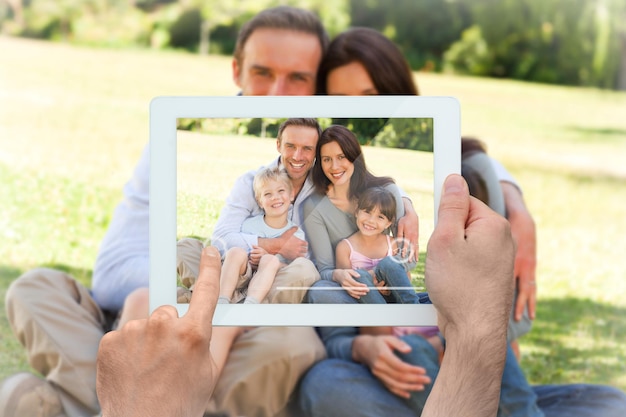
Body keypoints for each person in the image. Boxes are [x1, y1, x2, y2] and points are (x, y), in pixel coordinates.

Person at [0, 6, 330, 417]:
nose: (278, 91)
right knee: (35, 290)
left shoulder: (332, 179)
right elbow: (114, 273)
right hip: (195, 299)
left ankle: (96, 404)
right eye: (263, 72)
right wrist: (203, 296)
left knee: (293, 343)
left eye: (298, 78)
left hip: (253, 321)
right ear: (237, 71)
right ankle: (161, 404)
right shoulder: (238, 170)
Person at [299, 26, 626, 417]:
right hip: (394, 372)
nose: (360, 114)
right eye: (342, 102)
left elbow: (498, 332)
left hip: (466, 356)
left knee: (610, 402)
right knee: (325, 386)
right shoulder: (320, 210)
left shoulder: (458, 176)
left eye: (373, 98)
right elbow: (328, 317)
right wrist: (362, 346)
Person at [95, 174, 517, 417]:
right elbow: (226, 240)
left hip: (276, 309)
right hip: (257, 290)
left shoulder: (330, 212)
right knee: (52, 289)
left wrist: (403, 203)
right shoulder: (284, 206)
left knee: (312, 361)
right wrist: (360, 345)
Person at [334, 185, 421, 304]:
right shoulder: (345, 248)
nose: (371, 221)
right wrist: (372, 283)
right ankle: (383, 320)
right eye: (367, 212)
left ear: (388, 223)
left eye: (380, 217)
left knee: (390, 263)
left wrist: (389, 288)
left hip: (394, 300)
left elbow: (405, 279)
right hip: (367, 302)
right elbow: (348, 285)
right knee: (357, 276)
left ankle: (413, 310)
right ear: (356, 212)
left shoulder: (392, 244)